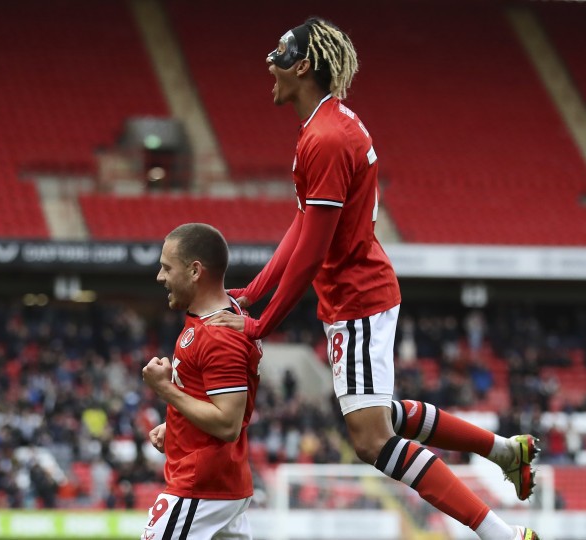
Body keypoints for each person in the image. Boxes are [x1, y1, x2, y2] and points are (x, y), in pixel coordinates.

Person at [205, 18, 539, 540]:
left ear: (304, 66)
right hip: (356, 295)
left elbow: (313, 252)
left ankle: (501, 534)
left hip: (357, 297)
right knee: (381, 414)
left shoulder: (327, 137)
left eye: (279, 54)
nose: (268, 64)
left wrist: (260, 324)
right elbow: (304, 224)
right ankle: (503, 451)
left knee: (370, 439)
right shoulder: (328, 125)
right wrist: (253, 291)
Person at [142, 223, 262, 540]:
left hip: (202, 485)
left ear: (195, 271)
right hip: (218, 484)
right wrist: (178, 424)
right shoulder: (211, 319)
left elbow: (227, 423)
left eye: (167, 267)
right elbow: (210, 398)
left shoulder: (219, 335)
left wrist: (164, 389)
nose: (160, 277)